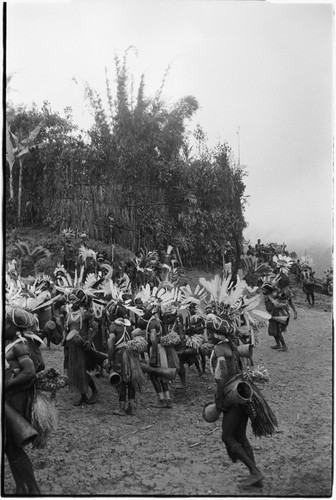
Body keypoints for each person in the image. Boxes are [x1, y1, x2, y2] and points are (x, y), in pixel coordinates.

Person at [209, 322, 265, 488]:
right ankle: (257, 478)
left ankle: (255, 472)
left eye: (210, 332)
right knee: (241, 436)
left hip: (232, 395)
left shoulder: (219, 350)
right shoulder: (233, 346)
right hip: (242, 391)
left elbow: (221, 376)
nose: (209, 335)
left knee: (227, 436)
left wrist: (219, 400)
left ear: (216, 334)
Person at [4, 306, 42, 494]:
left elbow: (30, 372)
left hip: (15, 401)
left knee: (13, 447)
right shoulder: (10, 341)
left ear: (15, 326)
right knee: (8, 448)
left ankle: (33, 490)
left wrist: (6, 386)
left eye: (6, 323)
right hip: (9, 400)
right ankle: (21, 487)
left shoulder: (19, 344)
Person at [65, 290, 100, 405]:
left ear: (79, 302)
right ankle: (83, 395)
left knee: (81, 370)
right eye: (70, 300)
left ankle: (95, 391)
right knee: (75, 370)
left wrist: (89, 340)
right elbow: (67, 331)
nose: (71, 302)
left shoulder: (85, 314)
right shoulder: (69, 314)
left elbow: (95, 328)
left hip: (82, 345)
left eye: (73, 300)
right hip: (72, 346)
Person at [263, 274, 297, 351]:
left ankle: (284, 346)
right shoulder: (276, 289)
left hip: (279, 313)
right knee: (274, 329)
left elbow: (287, 302)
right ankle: (278, 344)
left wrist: (295, 312)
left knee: (277, 330)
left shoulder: (282, 291)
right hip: (275, 312)